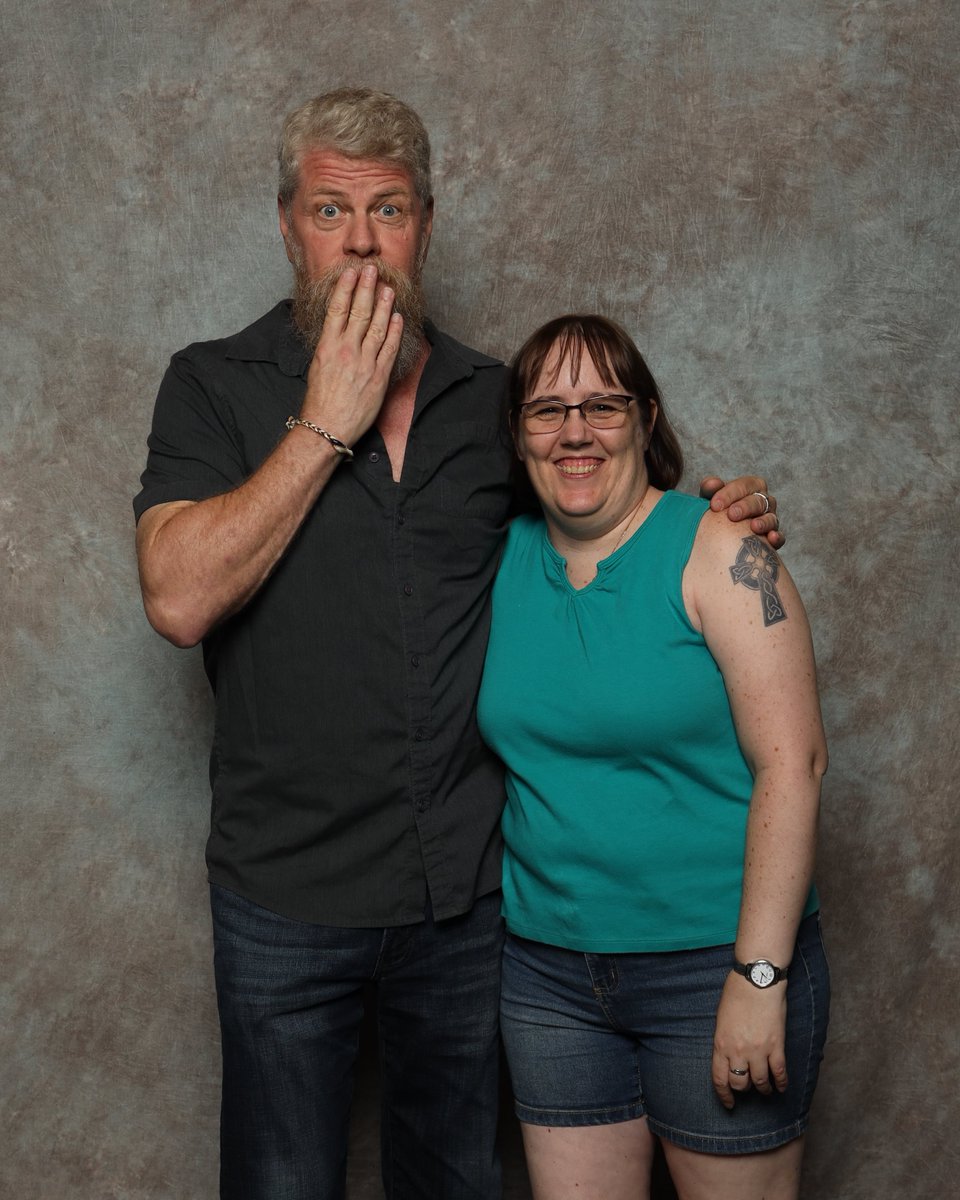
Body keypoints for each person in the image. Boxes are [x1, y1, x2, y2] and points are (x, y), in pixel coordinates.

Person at [134, 88, 782, 1200]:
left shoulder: (494, 398)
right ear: (287, 223)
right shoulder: (210, 385)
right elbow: (180, 599)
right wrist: (326, 422)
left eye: (388, 209)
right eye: (332, 210)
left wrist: (729, 520)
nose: (362, 242)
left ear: (425, 223)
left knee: (459, 1183)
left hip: (472, 901)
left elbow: (614, 517)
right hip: (285, 898)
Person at [477, 315, 829, 1200]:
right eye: (548, 410)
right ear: (519, 433)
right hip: (549, 974)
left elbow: (796, 765)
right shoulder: (494, 563)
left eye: (602, 404)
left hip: (711, 965)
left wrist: (759, 975)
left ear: (646, 417)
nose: (575, 431)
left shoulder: (723, 553)